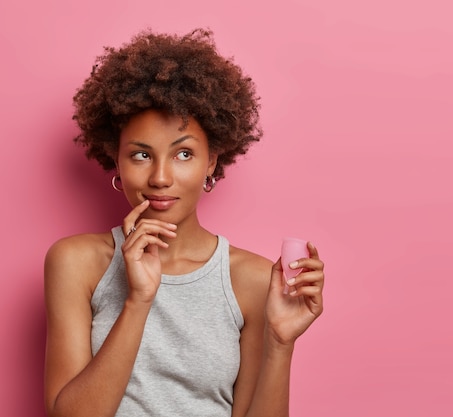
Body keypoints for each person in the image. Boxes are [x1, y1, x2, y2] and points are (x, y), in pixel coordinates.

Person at [43, 28, 324, 417]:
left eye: (184, 154)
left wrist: (280, 341)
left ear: (211, 161)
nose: (160, 177)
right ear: (116, 158)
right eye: (141, 155)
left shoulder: (253, 280)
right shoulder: (76, 262)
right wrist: (139, 300)